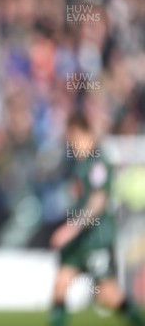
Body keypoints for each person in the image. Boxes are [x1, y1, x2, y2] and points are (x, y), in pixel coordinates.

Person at [49, 113, 144, 326]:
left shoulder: (98, 163)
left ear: (89, 135)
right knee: (61, 284)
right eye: (71, 140)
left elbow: (98, 201)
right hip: (80, 240)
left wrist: (70, 229)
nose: (74, 145)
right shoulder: (79, 165)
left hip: (96, 238)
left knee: (107, 294)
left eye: (77, 138)